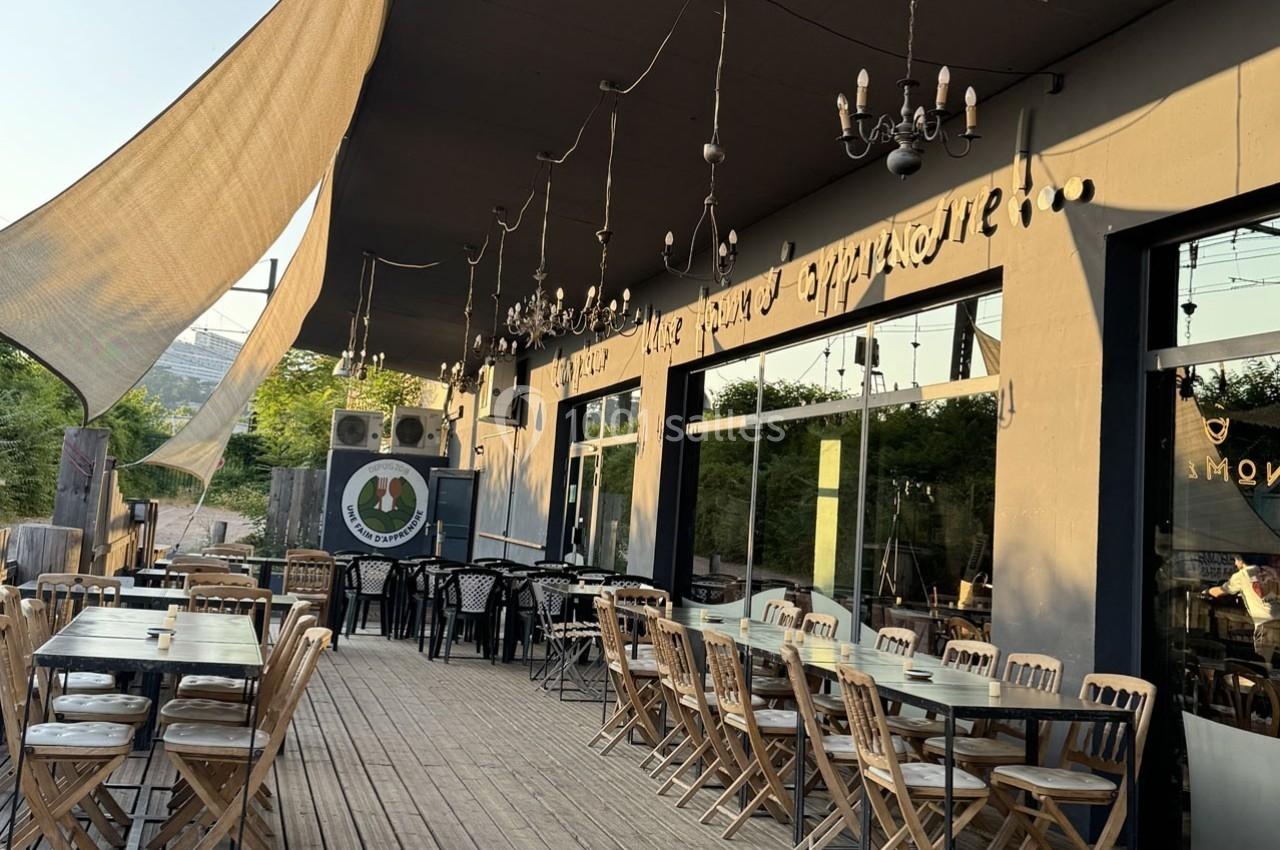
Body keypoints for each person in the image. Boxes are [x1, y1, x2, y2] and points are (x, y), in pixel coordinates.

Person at [1207, 553, 1280, 666]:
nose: (1235, 563)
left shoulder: (1243, 575)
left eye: (1236, 559)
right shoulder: (1271, 571)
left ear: (1241, 560)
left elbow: (1219, 592)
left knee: (1264, 665)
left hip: (1266, 625)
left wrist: (1206, 591)